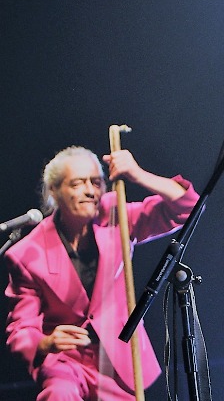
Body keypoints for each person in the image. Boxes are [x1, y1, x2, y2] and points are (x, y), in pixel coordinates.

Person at [4, 146, 199, 400]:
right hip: (66, 364)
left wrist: (137, 174)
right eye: (77, 183)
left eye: (96, 182)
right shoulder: (27, 254)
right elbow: (21, 327)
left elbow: (187, 208)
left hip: (119, 360)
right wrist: (45, 343)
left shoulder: (115, 214)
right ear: (54, 191)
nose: (90, 191)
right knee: (59, 394)